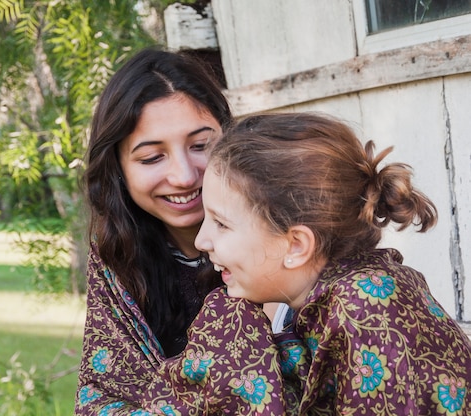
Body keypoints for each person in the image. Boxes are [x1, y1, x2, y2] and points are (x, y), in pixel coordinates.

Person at [194, 111, 471, 415]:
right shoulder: (304, 303)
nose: (201, 241)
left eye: (221, 224)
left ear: (296, 245)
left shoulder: (365, 311)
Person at [75, 47, 290, 415]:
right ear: (118, 169)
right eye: (152, 157)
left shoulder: (291, 234)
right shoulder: (118, 255)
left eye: (201, 146)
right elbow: (102, 397)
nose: (184, 176)